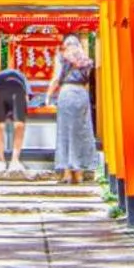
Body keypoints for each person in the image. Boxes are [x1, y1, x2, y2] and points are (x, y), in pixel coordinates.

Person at [44, 35, 98, 185]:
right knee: (81, 131)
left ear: (66, 45)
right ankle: (79, 173)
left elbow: (56, 78)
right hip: (81, 93)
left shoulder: (63, 57)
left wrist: (48, 96)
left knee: (66, 131)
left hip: (66, 92)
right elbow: (87, 82)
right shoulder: (85, 60)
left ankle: (67, 173)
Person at [0, 66, 32, 175]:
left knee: (18, 125)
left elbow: (27, 96)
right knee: (0, 126)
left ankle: (13, 160)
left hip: (16, 92)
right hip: (1, 92)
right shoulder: (0, 78)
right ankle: (2, 160)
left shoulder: (20, 77)